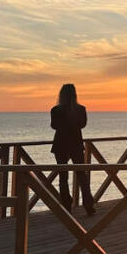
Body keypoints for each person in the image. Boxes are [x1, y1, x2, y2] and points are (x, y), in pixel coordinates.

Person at [51, 84, 95, 215]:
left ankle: (66, 205)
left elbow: (54, 125)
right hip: (76, 143)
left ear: (61, 95)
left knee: (63, 176)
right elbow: (83, 124)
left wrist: (64, 125)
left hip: (60, 144)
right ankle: (88, 204)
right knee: (81, 175)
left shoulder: (56, 110)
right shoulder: (81, 109)